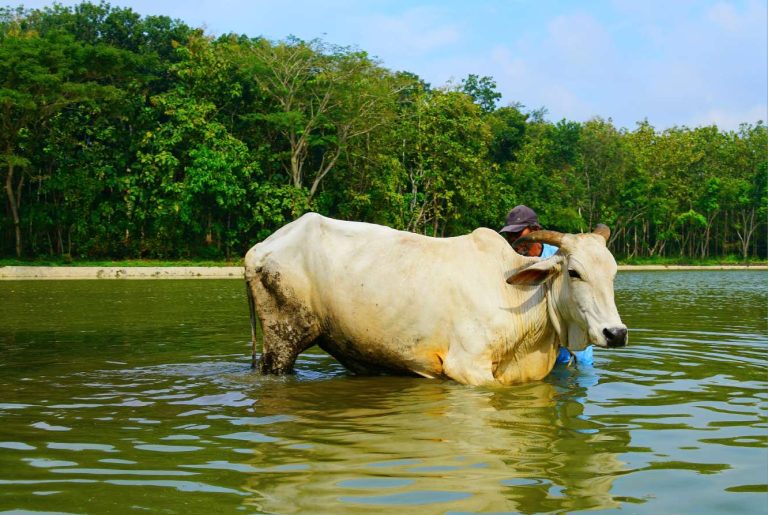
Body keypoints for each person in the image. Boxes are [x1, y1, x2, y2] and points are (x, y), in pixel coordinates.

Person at [500, 204, 593, 366]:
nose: (513, 240)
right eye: (509, 235)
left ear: (535, 230)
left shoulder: (561, 258)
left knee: (582, 374)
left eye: (517, 234)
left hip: (570, 343)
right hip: (535, 347)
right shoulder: (508, 265)